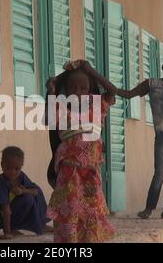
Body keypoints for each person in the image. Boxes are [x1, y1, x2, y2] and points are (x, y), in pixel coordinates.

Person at [45, 60, 118, 243]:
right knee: (68, 209)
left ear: (90, 89)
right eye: (72, 87)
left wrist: (91, 71)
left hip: (91, 171)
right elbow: (49, 97)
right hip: (69, 171)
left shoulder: (97, 106)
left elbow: (112, 91)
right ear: (66, 90)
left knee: (91, 209)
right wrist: (56, 83)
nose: (78, 92)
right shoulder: (60, 108)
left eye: (83, 88)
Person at [117, 56, 163, 219]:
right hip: (162, 135)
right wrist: (110, 88)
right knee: (159, 173)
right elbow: (130, 94)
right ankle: (149, 209)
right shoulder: (152, 84)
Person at [0, 146, 50, 239]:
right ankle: (10, 228)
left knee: (35, 190)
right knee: (27, 199)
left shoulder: (21, 176)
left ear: (21, 166)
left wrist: (22, 191)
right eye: (8, 168)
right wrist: (7, 232)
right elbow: (5, 209)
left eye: (17, 168)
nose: (12, 172)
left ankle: (42, 222)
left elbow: (36, 192)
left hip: (9, 211)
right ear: (2, 166)